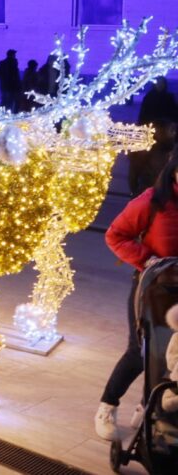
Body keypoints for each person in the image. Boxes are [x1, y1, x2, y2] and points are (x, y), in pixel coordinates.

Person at [95, 150, 178, 440]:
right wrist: (148, 260)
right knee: (140, 351)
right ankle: (107, 405)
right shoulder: (152, 201)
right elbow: (115, 235)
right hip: (152, 291)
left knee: (171, 359)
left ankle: (148, 407)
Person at [128, 120, 176, 197]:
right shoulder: (149, 153)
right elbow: (133, 177)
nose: (174, 133)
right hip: (151, 196)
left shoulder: (170, 152)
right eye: (171, 130)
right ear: (161, 131)